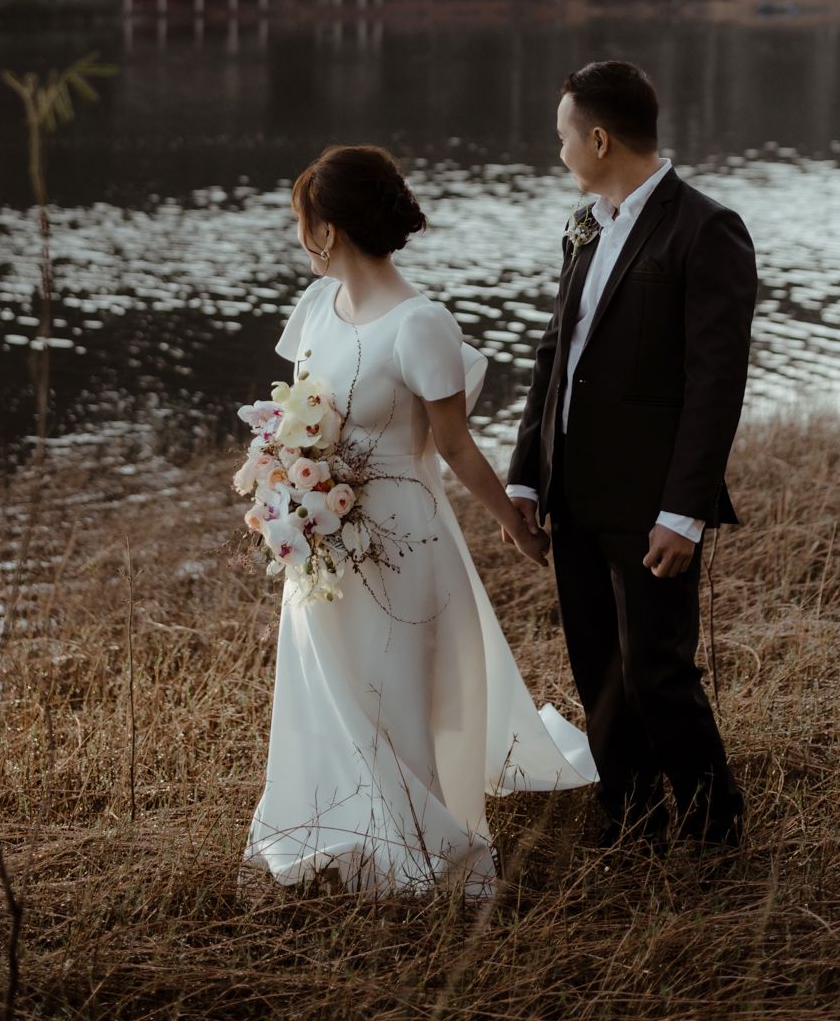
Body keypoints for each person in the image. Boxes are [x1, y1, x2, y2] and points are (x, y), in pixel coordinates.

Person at [244, 143, 597, 896]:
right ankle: (335, 827)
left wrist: (515, 524)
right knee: (327, 681)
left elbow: (455, 446)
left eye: (302, 221)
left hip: (402, 539)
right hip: (317, 534)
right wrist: (278, 481)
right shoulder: (315, 307)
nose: (299, 235)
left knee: (392, 688)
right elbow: (297, 413)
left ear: (328, 229)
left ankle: (415, 844)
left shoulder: (420, 324)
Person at [506, 59, 756, 851]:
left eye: (562, 137)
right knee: (598, 667)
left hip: (651, 500)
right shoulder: (584, 225)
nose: (558, 152)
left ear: (599, 139)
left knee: (657, 669)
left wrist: (683, 512)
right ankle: (630, 820)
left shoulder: (705, 229)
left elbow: (715, 384)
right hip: (572, 488)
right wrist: (524, 476)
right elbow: (554, 355)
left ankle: (715, 828)